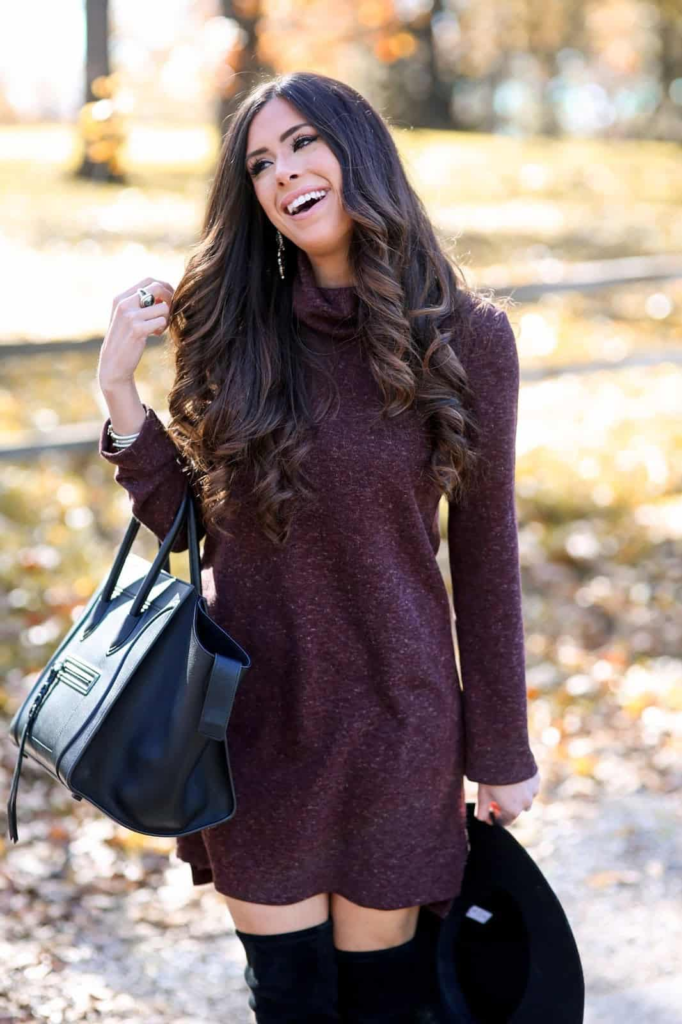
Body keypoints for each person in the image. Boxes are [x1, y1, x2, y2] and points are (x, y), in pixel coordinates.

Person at [96, 71, 540, 1024]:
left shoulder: (468, 337)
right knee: (290, 1000)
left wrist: (500, 747)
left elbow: (486, 559)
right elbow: (190, 525)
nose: (282, 172)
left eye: (302, 144)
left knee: (384, 1002)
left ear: (357, 150)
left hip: (398, 722)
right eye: (260, 161)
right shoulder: (232, 333)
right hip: (254, 721)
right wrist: (120, 395)